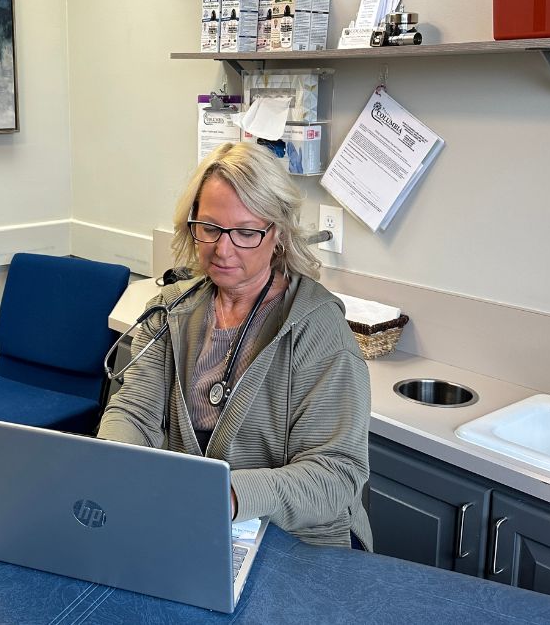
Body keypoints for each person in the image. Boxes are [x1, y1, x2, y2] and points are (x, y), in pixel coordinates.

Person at [98, 141, 373, 550]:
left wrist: (227, 496)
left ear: (277, 234)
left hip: (296, 543)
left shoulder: (319, 331)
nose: (222, 250)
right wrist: (111, 466)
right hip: (190, 526)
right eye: (209, 228)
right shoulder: (170, 312)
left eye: (245, 232)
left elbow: (335, 475)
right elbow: (133, 413)